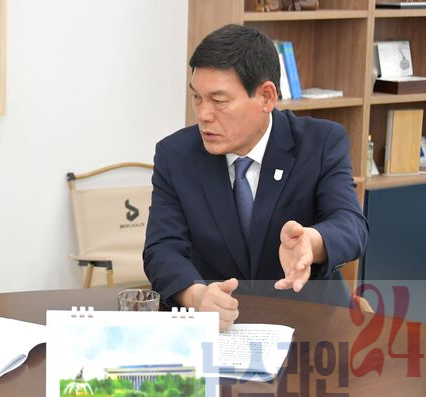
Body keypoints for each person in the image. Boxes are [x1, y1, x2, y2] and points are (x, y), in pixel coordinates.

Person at [143, 24, 368, 331]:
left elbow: (351, 224)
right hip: (221, 329)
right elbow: (162, 247)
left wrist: (311, 242)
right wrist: (195, 296)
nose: (203, 114)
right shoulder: (176, 155)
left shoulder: (321, 143)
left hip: (312, 326)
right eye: (197, 97)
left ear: (266, 97)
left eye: (219, 101)